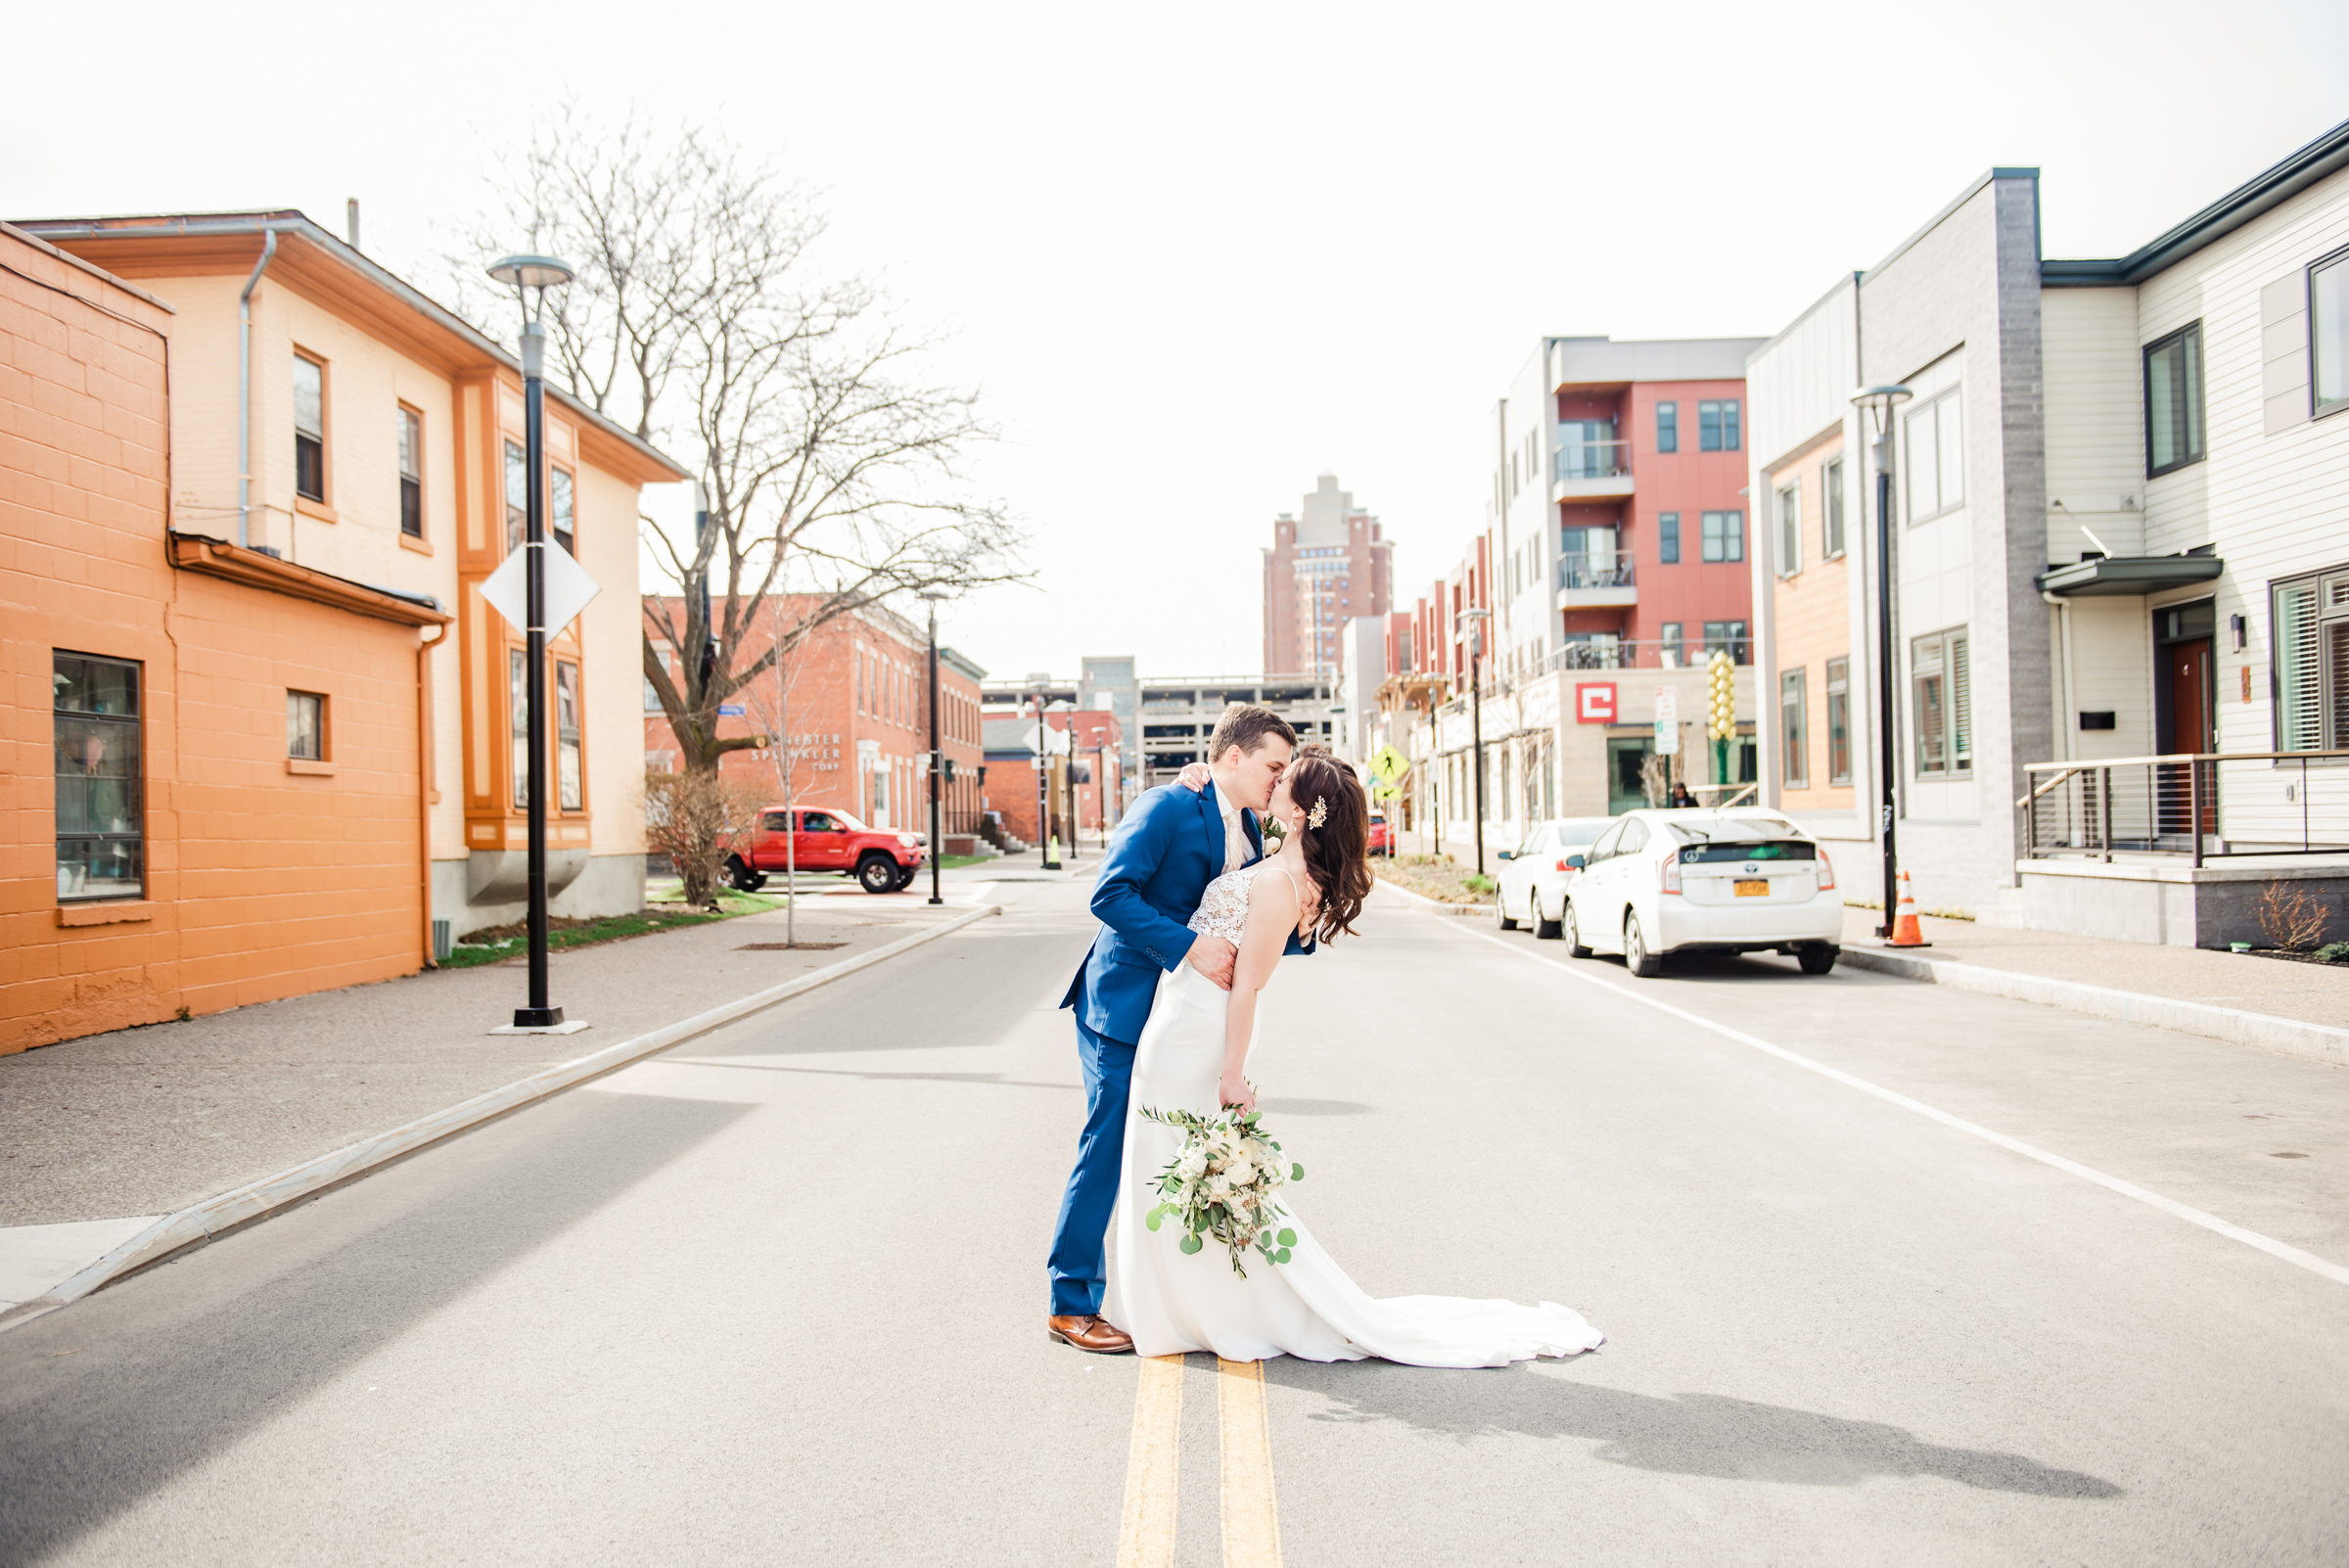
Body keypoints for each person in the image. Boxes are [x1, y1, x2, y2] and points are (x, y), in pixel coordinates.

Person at [1104, 748, 1606, 1366]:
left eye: (1283, 780)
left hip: (1199, 1030)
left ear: (1302, 813)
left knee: (1167, 1158)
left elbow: (1247, 986)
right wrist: (1195, 778)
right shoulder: (1284, 869)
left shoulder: (1276, 882)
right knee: (1170, 1162)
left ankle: (1193, 1308)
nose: (1274, 783)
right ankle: (1182, 1303)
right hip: (1189, 1019)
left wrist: (1232, 1071)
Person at [1047, 704, 1303, 1353]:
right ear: (1233, 756)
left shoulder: (1246, 821)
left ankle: (1173, 1296)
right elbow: (1110, 894)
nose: (1280, 778)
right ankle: (1069, 1301)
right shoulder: (1168, 806)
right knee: (1107, 1144)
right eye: (1273, 765)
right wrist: (1187, 946)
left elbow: (1240, 912)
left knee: (1170, 1150)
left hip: (1187, 1016)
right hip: (1123, 1005)